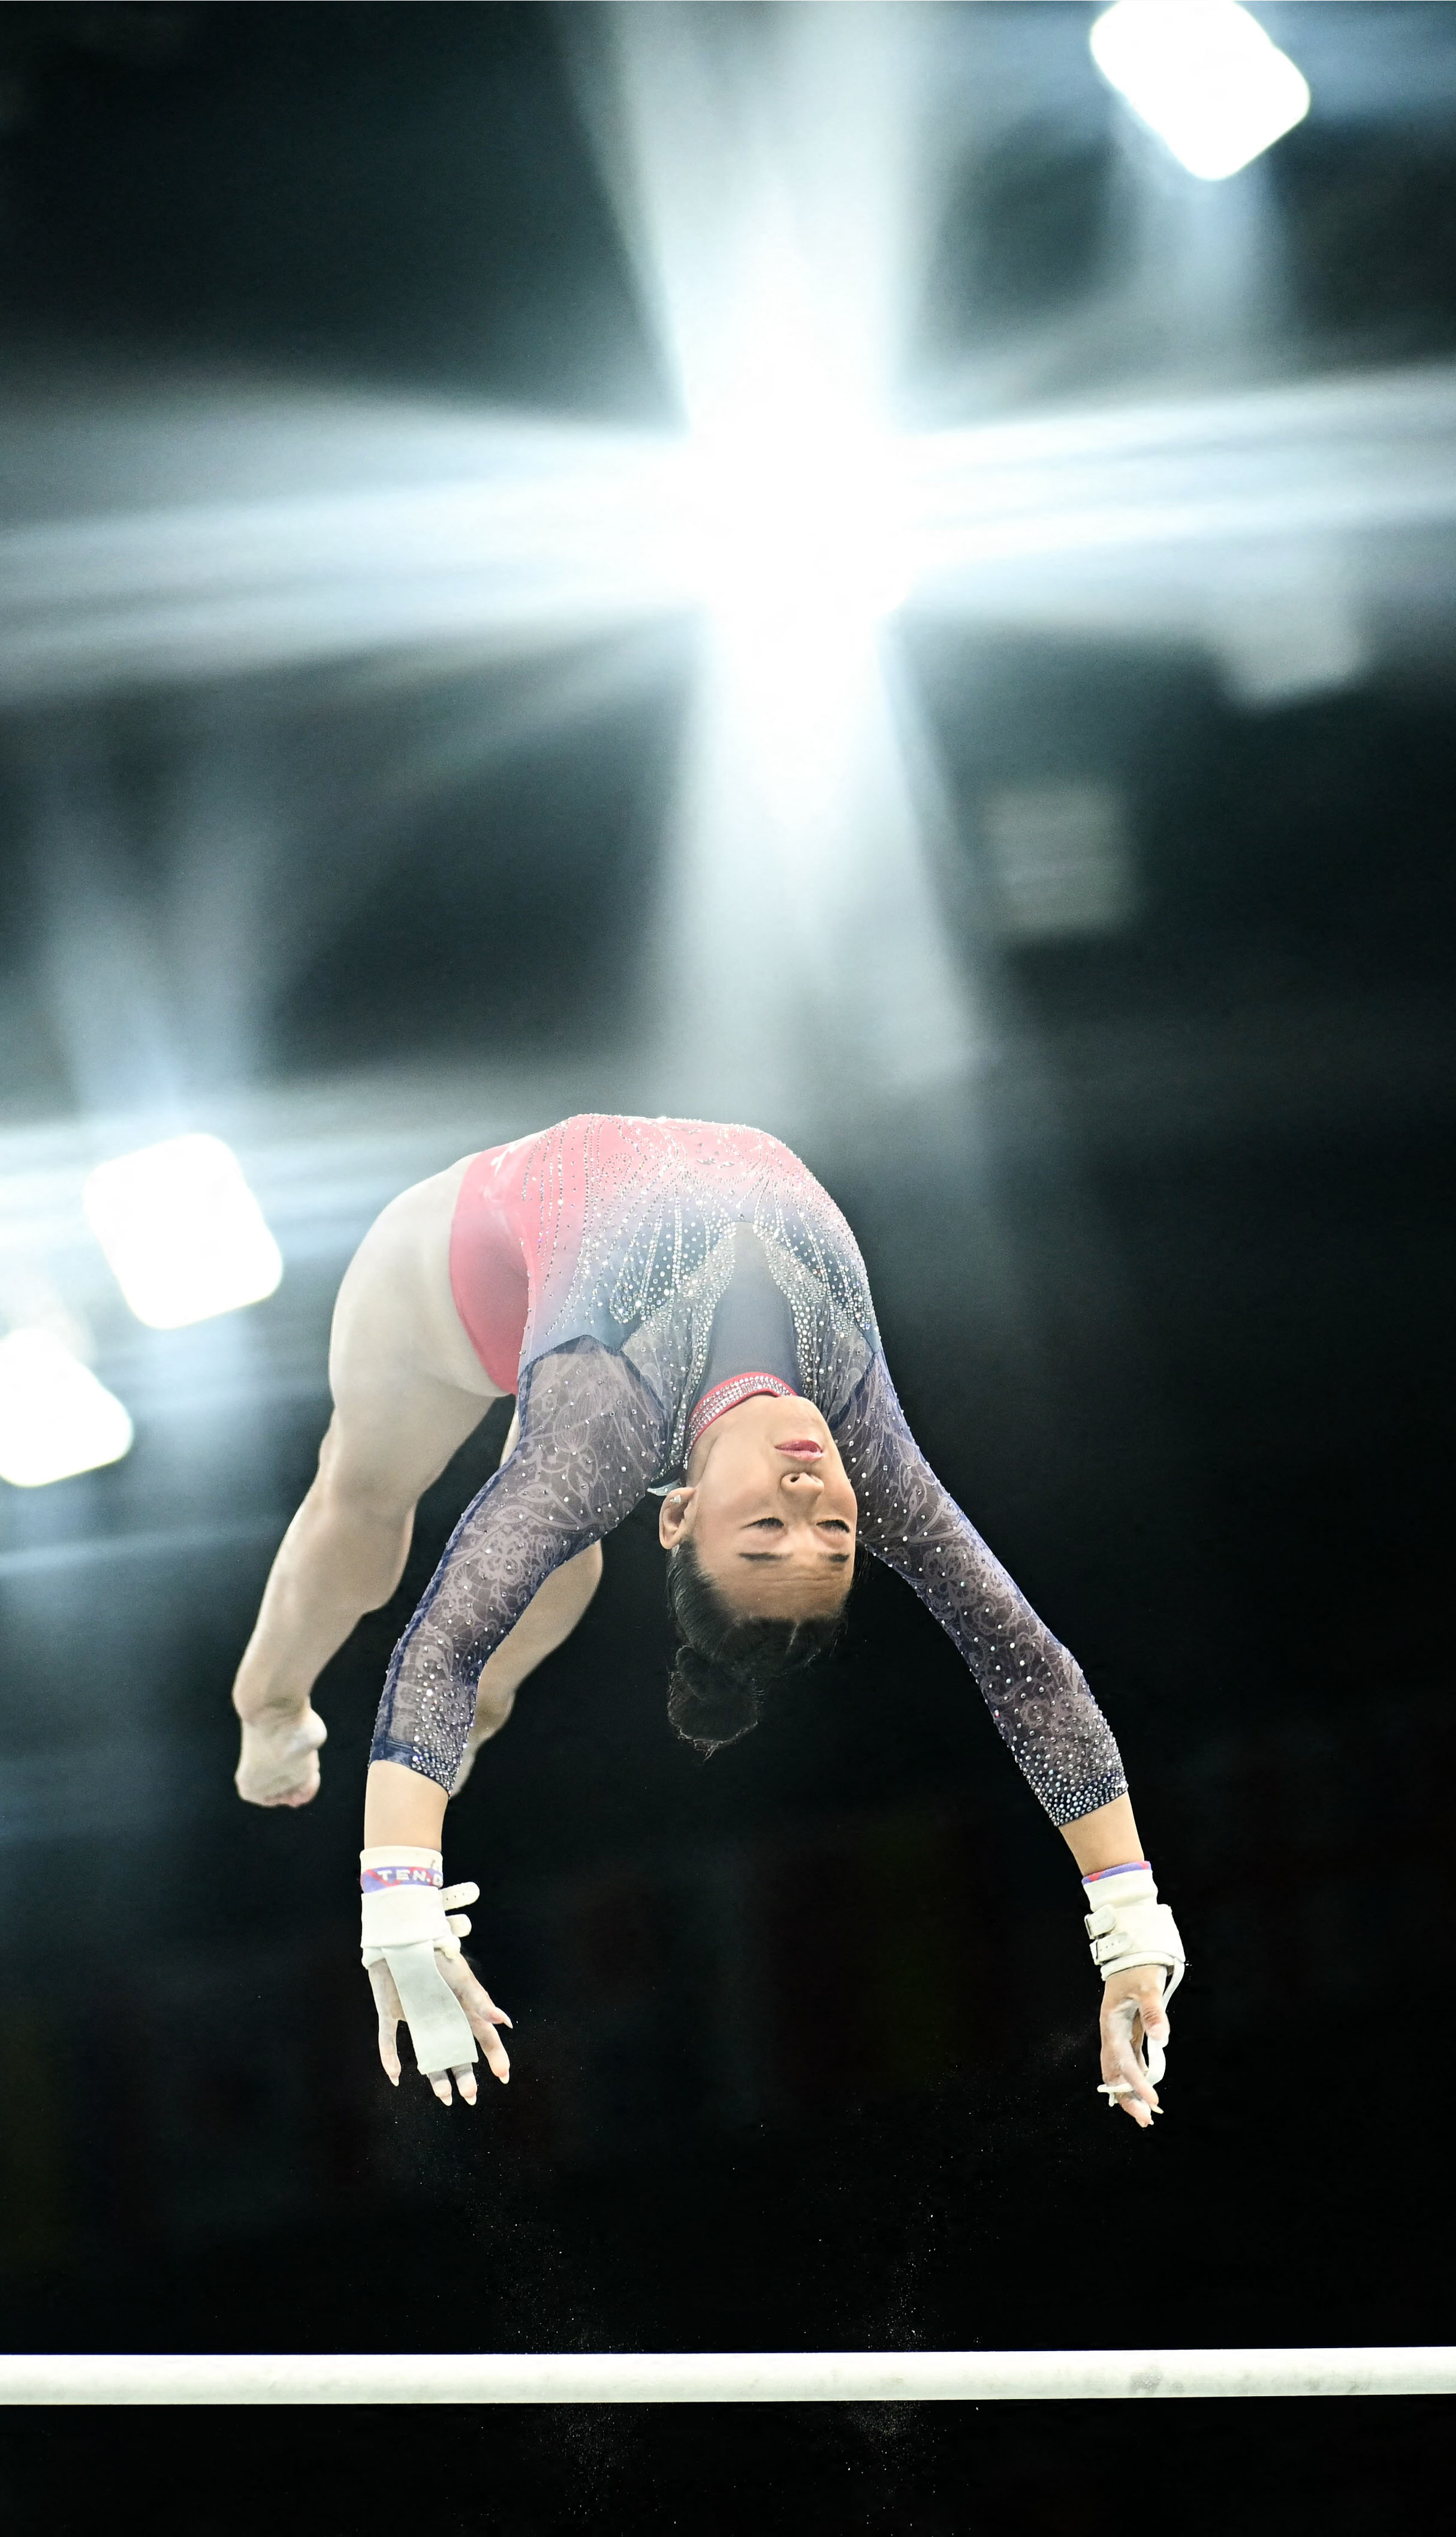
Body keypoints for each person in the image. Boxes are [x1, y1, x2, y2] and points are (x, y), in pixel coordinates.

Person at [232, 1114, 1184, 2128]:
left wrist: (401, 1912)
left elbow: (443, 1639)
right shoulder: (869, 1449)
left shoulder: (602, 1423)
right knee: (378, 1502)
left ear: (677, 1509)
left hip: (525, 1310)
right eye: (831, 1535)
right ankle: (272, 1698)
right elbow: (1030, 1671)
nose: (808, 1492)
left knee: (532, 1567)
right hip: (476, 1267)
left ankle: (323, 1707)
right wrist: (1131, 1929)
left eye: (767, 1524)